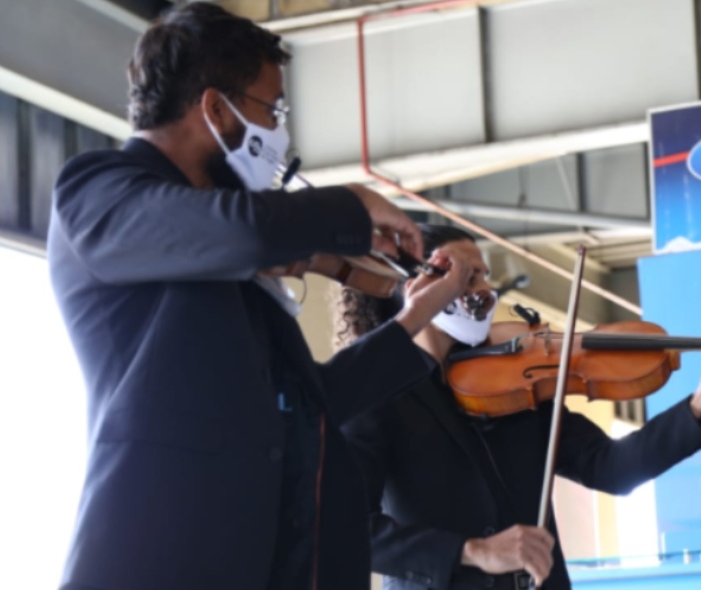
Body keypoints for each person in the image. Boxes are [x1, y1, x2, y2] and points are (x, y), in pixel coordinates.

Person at [48, 5, 469, 590]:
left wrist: (416, 315)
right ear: (215, 108)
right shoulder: (97, 193)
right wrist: (347, 204)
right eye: (271, 109)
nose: (279, 132)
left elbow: (314, 400)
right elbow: (241, 229)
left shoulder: (232, 256)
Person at [338, 225, 701, 590]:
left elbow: (611, 467)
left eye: (484, 275)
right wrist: (473, 551)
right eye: (467, 276)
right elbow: (349, 529)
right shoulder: (376, 394)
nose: (484, 290)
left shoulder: (515, 379)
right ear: (417, 284)